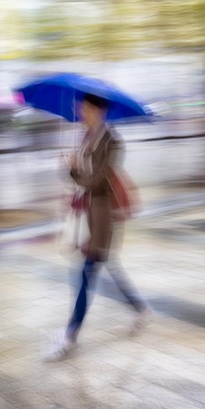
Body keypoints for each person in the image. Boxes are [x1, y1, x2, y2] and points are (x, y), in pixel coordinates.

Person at [45, 93, 151, 361]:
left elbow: (98, 182)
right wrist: (69, 168)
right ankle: (140, 307)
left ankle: (70, 335)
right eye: (78, 107)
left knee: (85, 273)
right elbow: (80, 179)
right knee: (105, 267)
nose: (80, 112)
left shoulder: (111, 140)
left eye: (84, 108)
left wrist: (75, 170)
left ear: (97, 110)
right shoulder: (84, 136)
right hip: (84, 214)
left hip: (101, 217)